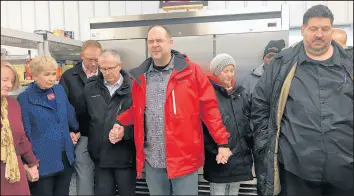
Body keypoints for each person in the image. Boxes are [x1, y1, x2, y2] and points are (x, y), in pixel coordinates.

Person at [109, 25, 232, 195]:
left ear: (170, 42)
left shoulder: (191, 72)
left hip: (184, 159)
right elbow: (137, 110)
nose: (155, 44)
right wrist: (120, 123)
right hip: (153, 160)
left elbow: (209, 109)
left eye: (159, 40)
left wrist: (222, 143)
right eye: (151, 41)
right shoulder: (141, 76)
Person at [251, 5, 353, 196]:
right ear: (303, 30)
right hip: (296, 169)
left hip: (346, 169)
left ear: (332, 29)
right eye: (313, 29)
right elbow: (259, 106)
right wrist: (267, 145)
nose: (319, 34)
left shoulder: (350, 63)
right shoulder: (282, 63)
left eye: (325, 29)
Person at [17, 56, 80, 196]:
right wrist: (27, 163)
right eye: (46, 74)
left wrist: (76, 130)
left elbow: (69, 114)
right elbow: (24, 133)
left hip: (65, 158)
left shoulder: (59, 90)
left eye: (53, 73)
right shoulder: (24, 99)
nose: (51, 78)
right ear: (34, 75)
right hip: (41, 161)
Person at [83, 49, 136, 195]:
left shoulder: (134, 87)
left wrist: (125, 132)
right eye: (102, 68)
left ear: (120, 65)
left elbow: (141, 121)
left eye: (110, 68)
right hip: (100, 156)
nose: (106, 72)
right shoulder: (90, 87)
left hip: (126, 155)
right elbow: (85, 117)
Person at [203, 54, 254, 195]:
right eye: (225, 71)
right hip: (219, 159)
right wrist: (216, 151)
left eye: (232, 70)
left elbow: (246, 123)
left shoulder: (239, 94)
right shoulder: (208, 94)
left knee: (233, 192)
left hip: (239, 158)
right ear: (216, 72)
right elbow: (205, 128)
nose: (229, 74)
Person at [59, 40, 102, 195]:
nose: (93, 63)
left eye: (97, 59)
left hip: (104, 135)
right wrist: (72, 130)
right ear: (81, 56)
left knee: (104, 179)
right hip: (81, 135)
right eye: (89, 59)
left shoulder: (106, 74)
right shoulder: (69, 77)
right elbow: (63, 108)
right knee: (85, 177)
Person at [1, 61, 40, 195]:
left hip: (14, 172)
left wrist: (32, 163)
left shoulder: (13, 104)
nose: (9, 85)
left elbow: (21, 137)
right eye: (4, 80)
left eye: (11, 80)